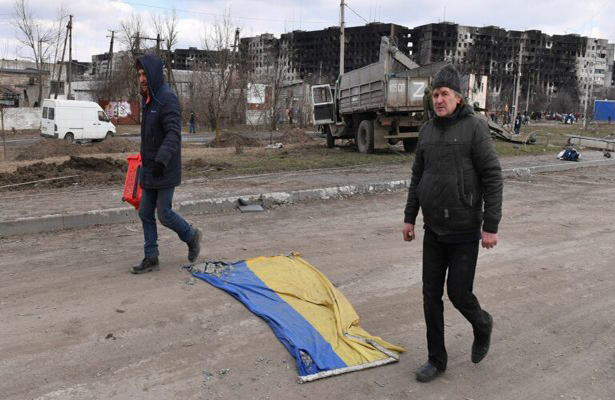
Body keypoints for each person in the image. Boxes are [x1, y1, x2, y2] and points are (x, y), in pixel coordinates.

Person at [402, 64, 503, 383]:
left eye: (445, 93)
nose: (438, 99)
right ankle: (436, 359)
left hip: (464, 230)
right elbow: (418, 175)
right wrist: (409, 217)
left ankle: (482, 323)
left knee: (459, 293)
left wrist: (491, 225)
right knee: (430, 294)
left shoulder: (475, 128)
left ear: (458, 98)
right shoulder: (427, 131)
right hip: (434, 229)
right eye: (435, 94)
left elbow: (492, 176)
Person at [131, 54, 202, 274]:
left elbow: (173, 134)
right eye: (139, 75)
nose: (141, 79)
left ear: (152, 74)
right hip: (151, 168)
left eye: (144, 74)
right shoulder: (148, 99)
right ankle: (151, 257)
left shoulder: (166, 98)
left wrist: (161, 160)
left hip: (165, 167)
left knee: (164, 214)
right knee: (145, 212)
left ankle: (192, 236)